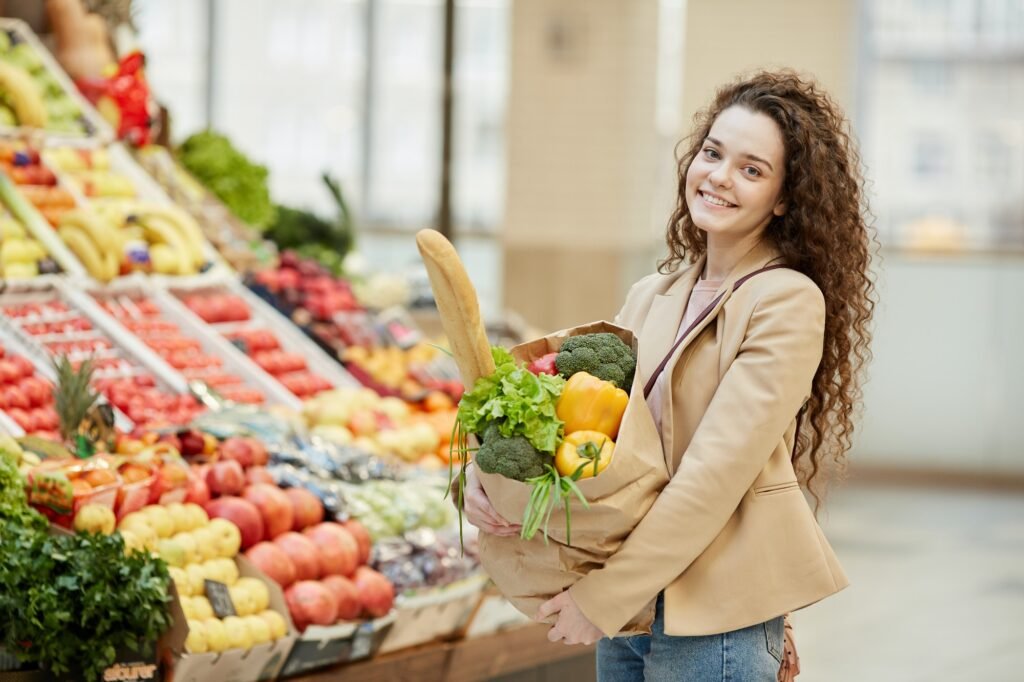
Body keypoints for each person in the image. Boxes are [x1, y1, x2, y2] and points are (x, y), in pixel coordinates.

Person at [462, 69, 876, 681]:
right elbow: (585, 424)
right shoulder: (651, 295)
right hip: (630, 605)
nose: (719, 176)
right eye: (713, 152)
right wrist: (486, 477)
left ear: (785, 198)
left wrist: (599, 601)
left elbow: (713, 479)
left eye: (752, 169)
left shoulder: (785, 302)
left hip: (714, 622)